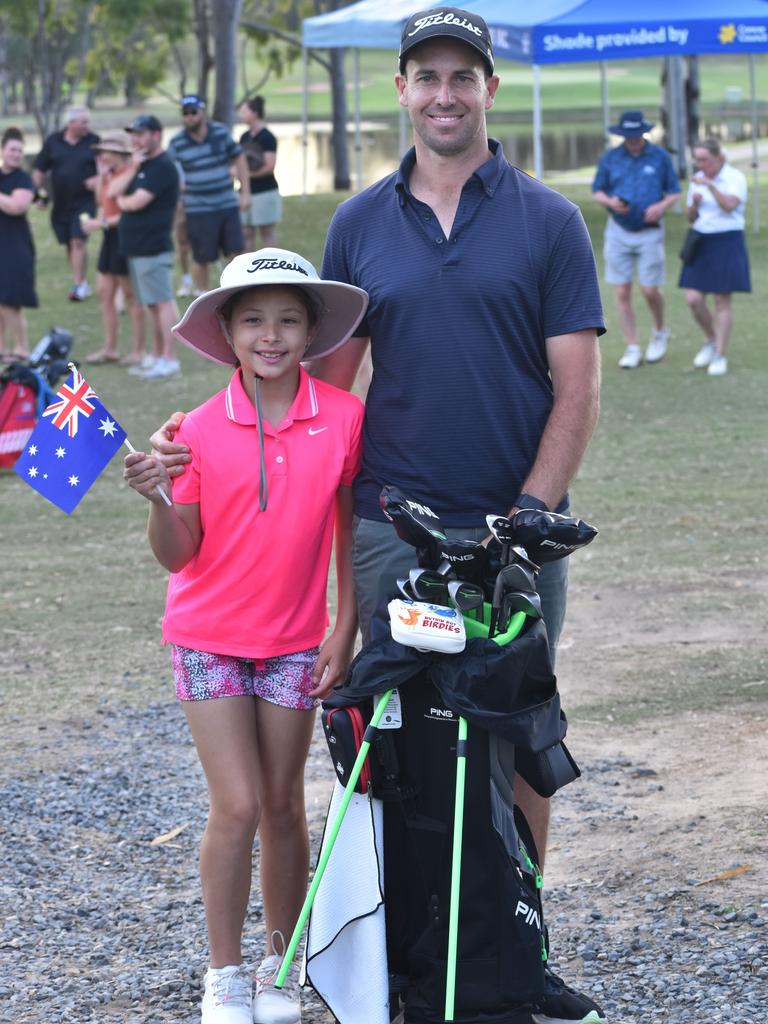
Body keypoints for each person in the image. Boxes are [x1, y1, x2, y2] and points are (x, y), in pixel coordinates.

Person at [151, 9, 607, 1024]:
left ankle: (514, 956)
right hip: (395, 528)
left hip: (516, 533)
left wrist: (529, 513)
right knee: (389, 748)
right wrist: (210, 439)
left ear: (488, 86)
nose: (444, 93)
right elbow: (323, 399)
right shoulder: (360, 222)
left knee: (516, 739)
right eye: (425, 76)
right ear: (401, 89)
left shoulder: (548, 220)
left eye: (463, 75)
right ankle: (404, 961)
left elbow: (575, 387)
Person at [123, 247, 367, 1024]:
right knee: (236, 803)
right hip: (207, 637)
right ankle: (224, 973)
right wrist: (160, 498)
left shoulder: (344, 418)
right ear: (226, 332)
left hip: (298, 641)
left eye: (289, 320)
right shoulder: (189, 429)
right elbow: (179, 552)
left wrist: (346, 626)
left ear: (312, 331)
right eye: (254, 319)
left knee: (284, 805)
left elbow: (351, 529)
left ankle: (279, 962)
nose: (272, 336)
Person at [592, 110, 681, 369]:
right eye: (627, 136)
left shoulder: (660, 157)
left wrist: (661, 206)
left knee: (650, 289)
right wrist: (610, 202)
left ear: (643, 133)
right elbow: (598, 190)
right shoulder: (611, 158)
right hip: (618, 230)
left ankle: (660, 331)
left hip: (650, 230)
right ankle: (632, 346)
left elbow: (674, 191)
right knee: (622, 290)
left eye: (636, 135)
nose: (632, 140)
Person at [108, 114, 181, 380]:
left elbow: (134, 202)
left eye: (141, 134)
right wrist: (130, 170)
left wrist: (122, 201)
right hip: (137, 247)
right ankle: (157, 354)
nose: (135, 139)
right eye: (134, 134)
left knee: (161, 303)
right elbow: (111, 192)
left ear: (156, 135)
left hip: (153, 246)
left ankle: (169, 358)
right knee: (150, 304)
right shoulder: (140, 165)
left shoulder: (162, 167)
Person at [679, 137, 751, 377]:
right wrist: (695, 205)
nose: (700, 164)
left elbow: (730, 206)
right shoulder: (697, 180)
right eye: (697, 159)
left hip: (727, 239)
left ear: (718, 157)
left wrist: (709, 186)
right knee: (693, 299)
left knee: (722, 300)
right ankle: (710, 339)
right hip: (701, 239)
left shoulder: (734, 178)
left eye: (704, 159)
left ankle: (720, 354)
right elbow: (691, 217)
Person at [167, 94, 250, 294]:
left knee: (236, 253)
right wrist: (177, 197)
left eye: (193, 112)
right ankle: (202, 293)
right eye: (185, 113)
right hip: (198, 208)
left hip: (226, 203)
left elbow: (239, 158)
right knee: (201, 256)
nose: (189, 117)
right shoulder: (177, 142)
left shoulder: (220, 133)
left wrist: (245, 192)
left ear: (203, 112)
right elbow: (168, 172)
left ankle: (238, 291)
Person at [79, 130, 146, 367]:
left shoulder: (130, 174)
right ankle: (110, 348)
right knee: (105, 293)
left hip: (124, 236)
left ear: (119, 153)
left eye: (107, 152)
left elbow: (126, 212)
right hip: (109, 237)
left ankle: (139, 350)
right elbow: (101, 200)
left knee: (131, 297)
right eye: (102, 151)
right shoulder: (109, 174)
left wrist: (100, 223)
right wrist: (100, 175)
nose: (103, 155)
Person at [32, 105, 99, 301]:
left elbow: (108, 166)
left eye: (88, 121)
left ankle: (78, 286)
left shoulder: (94, 141)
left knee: (78, 240)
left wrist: (97, 180)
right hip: (60, 204)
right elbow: (38, 170)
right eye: (84, 122)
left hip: (85, 202)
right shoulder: (53, 142)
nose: (88, 125)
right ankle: (83, 282)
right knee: (70, 244)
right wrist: (38, 195)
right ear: (71, 123)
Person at [0, 127, 37, 360]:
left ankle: (22, 348)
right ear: (3, 150)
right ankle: (2, 348)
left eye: (20, 151)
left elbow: (17, 206)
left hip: (15, 245)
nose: (16, 154)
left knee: (10, 299)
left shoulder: (23, 178)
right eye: (12, 149)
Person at [238, 96, 282, 248]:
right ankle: (248, 269)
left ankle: (271, 267)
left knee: (266, 233)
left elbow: (269, 166)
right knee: (246, 233)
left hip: (264, 191)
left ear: (255, 113)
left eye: (244, 111)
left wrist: (245, 175)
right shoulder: (244, 137)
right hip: (245, 192)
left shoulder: (267, 137)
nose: (241, 115)